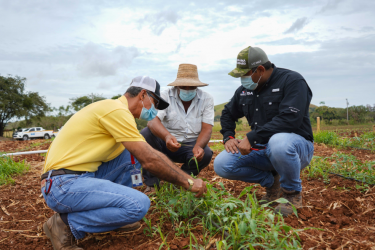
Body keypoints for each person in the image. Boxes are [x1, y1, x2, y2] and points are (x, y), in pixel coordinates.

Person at [41, 76, 207, 250]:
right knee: (138, 205)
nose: (155, 110)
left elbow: (137, 156)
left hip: (77, 176)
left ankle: (116, 215)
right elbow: (149, 159)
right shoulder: (115, 111)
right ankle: (64, 224)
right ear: (143, 95)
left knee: (131, 153)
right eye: (155, 103)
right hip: (62, 185)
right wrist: (187, 181)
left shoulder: (117, 111)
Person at [214, 46, 314, 216]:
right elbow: (227, 113)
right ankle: (272, 182)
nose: (243, 80)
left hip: (295, 148)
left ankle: (292, 194)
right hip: (263, 148)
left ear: (260, 69)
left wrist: (253, 137)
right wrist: (228, 136)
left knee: (278, 142)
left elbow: (290, 118)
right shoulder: (244, 91)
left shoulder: (292, 81)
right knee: (222, 164)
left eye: (245, 75)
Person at [141, 64, 214, 193]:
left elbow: (207, 128)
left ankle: (181, 181)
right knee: (146, 134)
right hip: (165, 143)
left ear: (197, 86)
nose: (187, 90)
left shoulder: (206, 99)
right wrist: (167, 137)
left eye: (191, 87)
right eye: (183, 86)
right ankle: (152, 184)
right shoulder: (165, 96)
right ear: (176, 86)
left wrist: (199, 146)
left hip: (189, 146)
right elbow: (152, 122)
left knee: (206, 153)